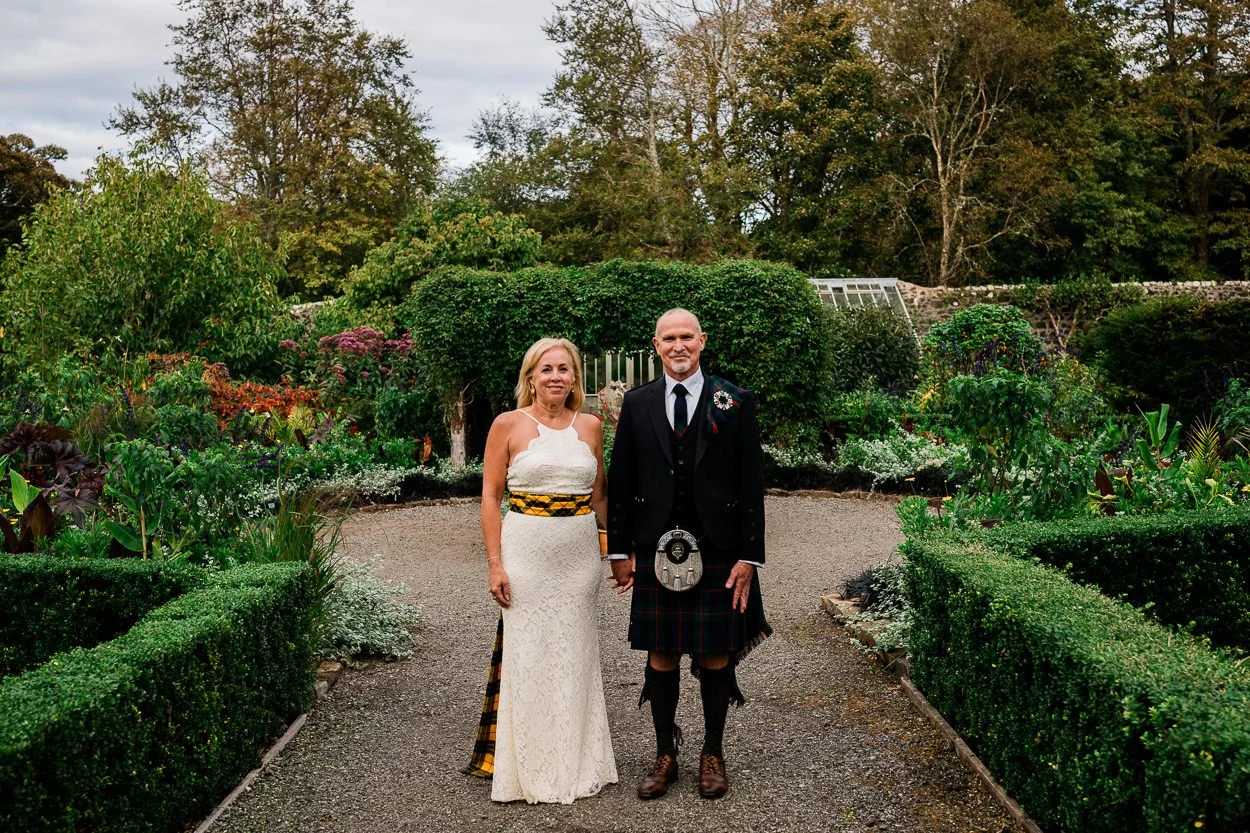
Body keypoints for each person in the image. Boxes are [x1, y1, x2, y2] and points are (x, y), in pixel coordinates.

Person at [607, 308, 771, 800]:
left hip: (719, 547)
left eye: (686, 337)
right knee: (660, 652)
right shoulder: (638, 404)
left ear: (701, 341)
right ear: (656, 345)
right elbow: (622, 482)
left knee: (716, 652)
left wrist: (750, 556)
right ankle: (665, 753)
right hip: (653, 548)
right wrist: (618, 550)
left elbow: (751, 484)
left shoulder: (734, 401)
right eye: (668, 339)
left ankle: (712, 752)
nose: (678, 346)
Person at [464, 338, 618, 803]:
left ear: (575, 378)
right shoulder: (506, 425)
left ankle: (577, 760)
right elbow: (491, 496)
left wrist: (614, 553)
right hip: (526, 553)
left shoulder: (591, 426)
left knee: (575, 653)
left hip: (577, 559)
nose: (556, 376)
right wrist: (495, 564)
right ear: (531, 376)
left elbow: (600, 497)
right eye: (546, 368)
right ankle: (523, 766)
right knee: (528, 653)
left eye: (564, 369)